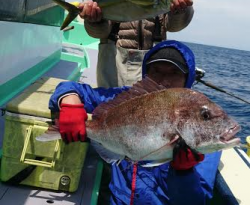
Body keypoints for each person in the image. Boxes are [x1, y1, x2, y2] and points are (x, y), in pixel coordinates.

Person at [49, 40, 221, 205]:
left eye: (174, 73)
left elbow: (196, 201)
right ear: (146, 73)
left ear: (187, 78)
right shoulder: (127, 99)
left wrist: (184, 173)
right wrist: (70, 103)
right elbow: (69, 87)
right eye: (157, 71)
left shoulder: (202, 130)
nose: (165, 80)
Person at [78, 0, 194, 88]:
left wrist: (181, 11)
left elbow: (175, 26)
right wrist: (94, 21)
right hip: (113, 70)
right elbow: (99, 33)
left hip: (150, 72)